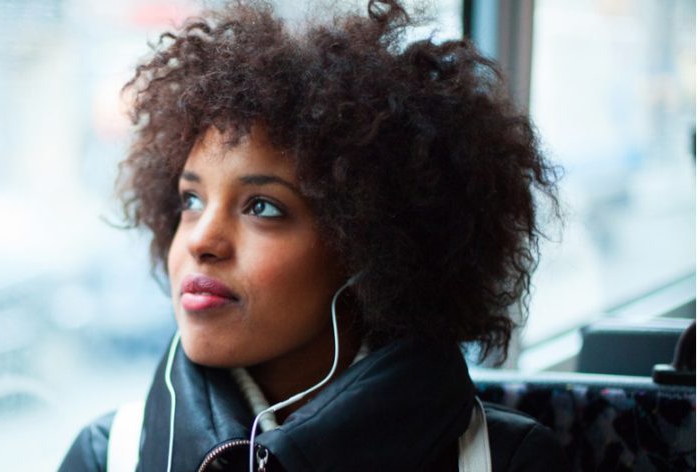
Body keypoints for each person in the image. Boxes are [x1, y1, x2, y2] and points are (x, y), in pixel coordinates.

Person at [60, 0, 569, 470]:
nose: (201, 239)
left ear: (372, 247)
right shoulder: (108, 456)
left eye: (262, 207)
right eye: (191, 201)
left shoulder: (503, 461)